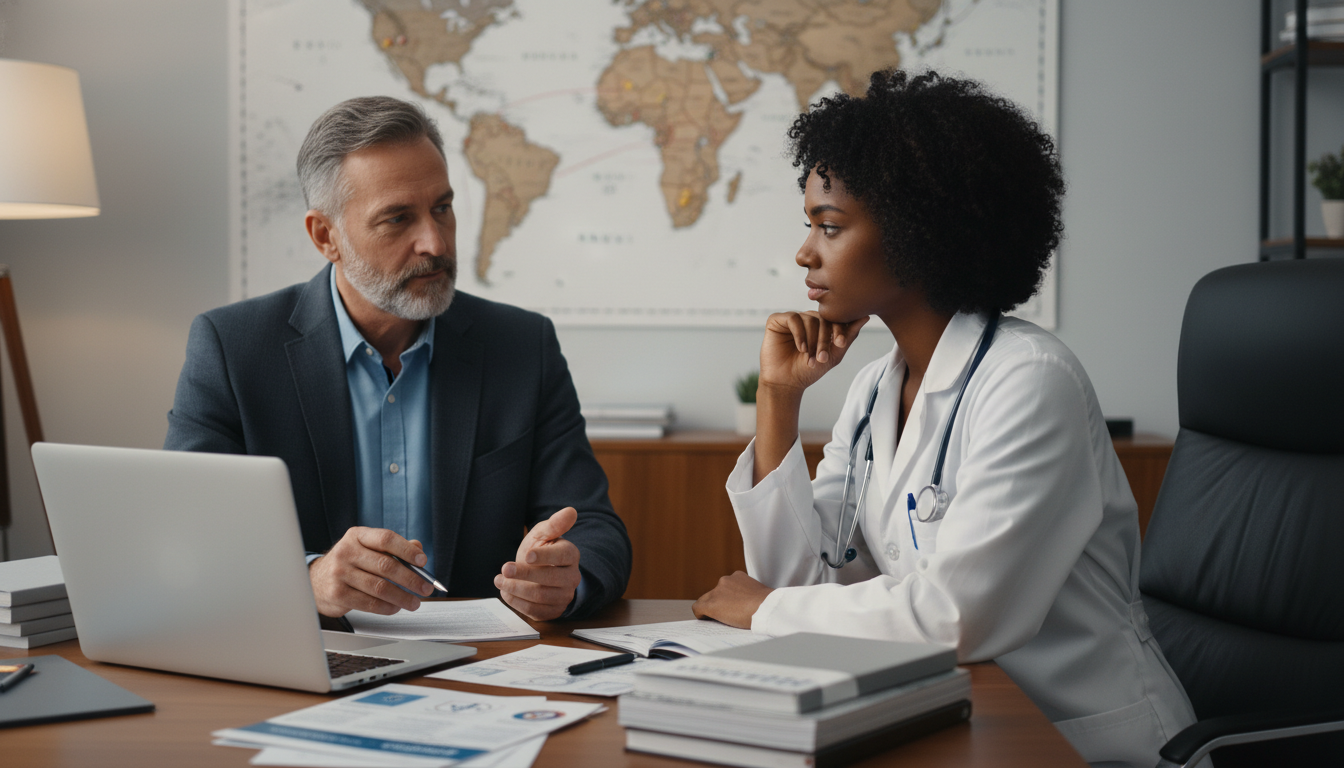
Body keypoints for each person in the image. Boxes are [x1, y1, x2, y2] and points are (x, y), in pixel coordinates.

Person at [691, 70, 1197, 767]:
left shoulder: (1029, 382)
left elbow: (958, 617)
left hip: (1078, 741)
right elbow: (803, 584)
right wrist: (779, 400)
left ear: (916, 233)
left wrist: (766, 611)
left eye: (830, 227)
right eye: (808, 226)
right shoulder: (875, 390)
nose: (805, 252)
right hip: (958, 729)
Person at [165, 96, 630, 622]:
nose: (433, 242)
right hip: (311, 656)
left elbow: (594, 526)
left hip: (477, 668)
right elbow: (188, 541)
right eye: (397, 219)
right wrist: (309, 578)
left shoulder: (522, 346)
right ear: (326, 236)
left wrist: (567, 578)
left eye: (442, 208)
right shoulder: (232, 348)